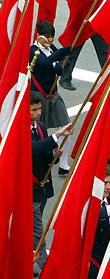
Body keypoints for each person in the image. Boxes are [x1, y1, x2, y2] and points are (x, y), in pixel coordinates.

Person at [31, 91, 73, 275]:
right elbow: (33, 149)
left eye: (39, 109)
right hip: (28, 190)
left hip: (41, 186)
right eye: (34, 110)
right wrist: (56, 135)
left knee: (31, 228)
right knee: (37, 231)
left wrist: (54, 155)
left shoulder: (40, 127)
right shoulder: (17, 129)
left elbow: (43, 154)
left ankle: (27, 257)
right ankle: (48, 269)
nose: (39, 113)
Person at [30, 20, 73, 175]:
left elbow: (61, 61)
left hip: (53, 95)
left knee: (65, 126)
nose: (50, 40)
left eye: (52, 36)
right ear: (39, 35)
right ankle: (43, 158)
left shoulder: (51, 48)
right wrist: (64, 52)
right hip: (40, 96)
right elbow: (46, 62)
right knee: (41, 130)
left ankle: (63, 164)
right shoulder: (33, 50)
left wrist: (61, 65)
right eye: (47, 36)